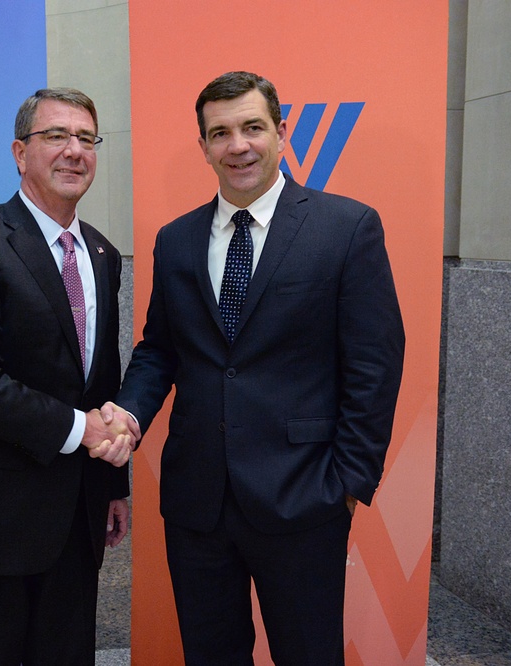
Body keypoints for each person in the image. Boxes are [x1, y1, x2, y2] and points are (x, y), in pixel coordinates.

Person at [108, 71, 406, 664]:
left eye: (252, 127)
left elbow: (375, 365)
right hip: (198, 500)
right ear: (204, 147)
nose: (237, 145)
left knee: (308, 653)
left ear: (281, 132)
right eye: (220, 133)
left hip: (304, 495)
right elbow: (161, 348)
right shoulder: (177, 240)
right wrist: (129, 412)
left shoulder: (346, 228)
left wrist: (347, 484)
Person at [0, 87, 133, 665]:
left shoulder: (101, 253)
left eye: (86, 138)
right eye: (56, 137)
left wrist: (113, 485)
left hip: (77, 518)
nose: (74, 150)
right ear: (20, 153)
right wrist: (82, 430)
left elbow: (101, 377)